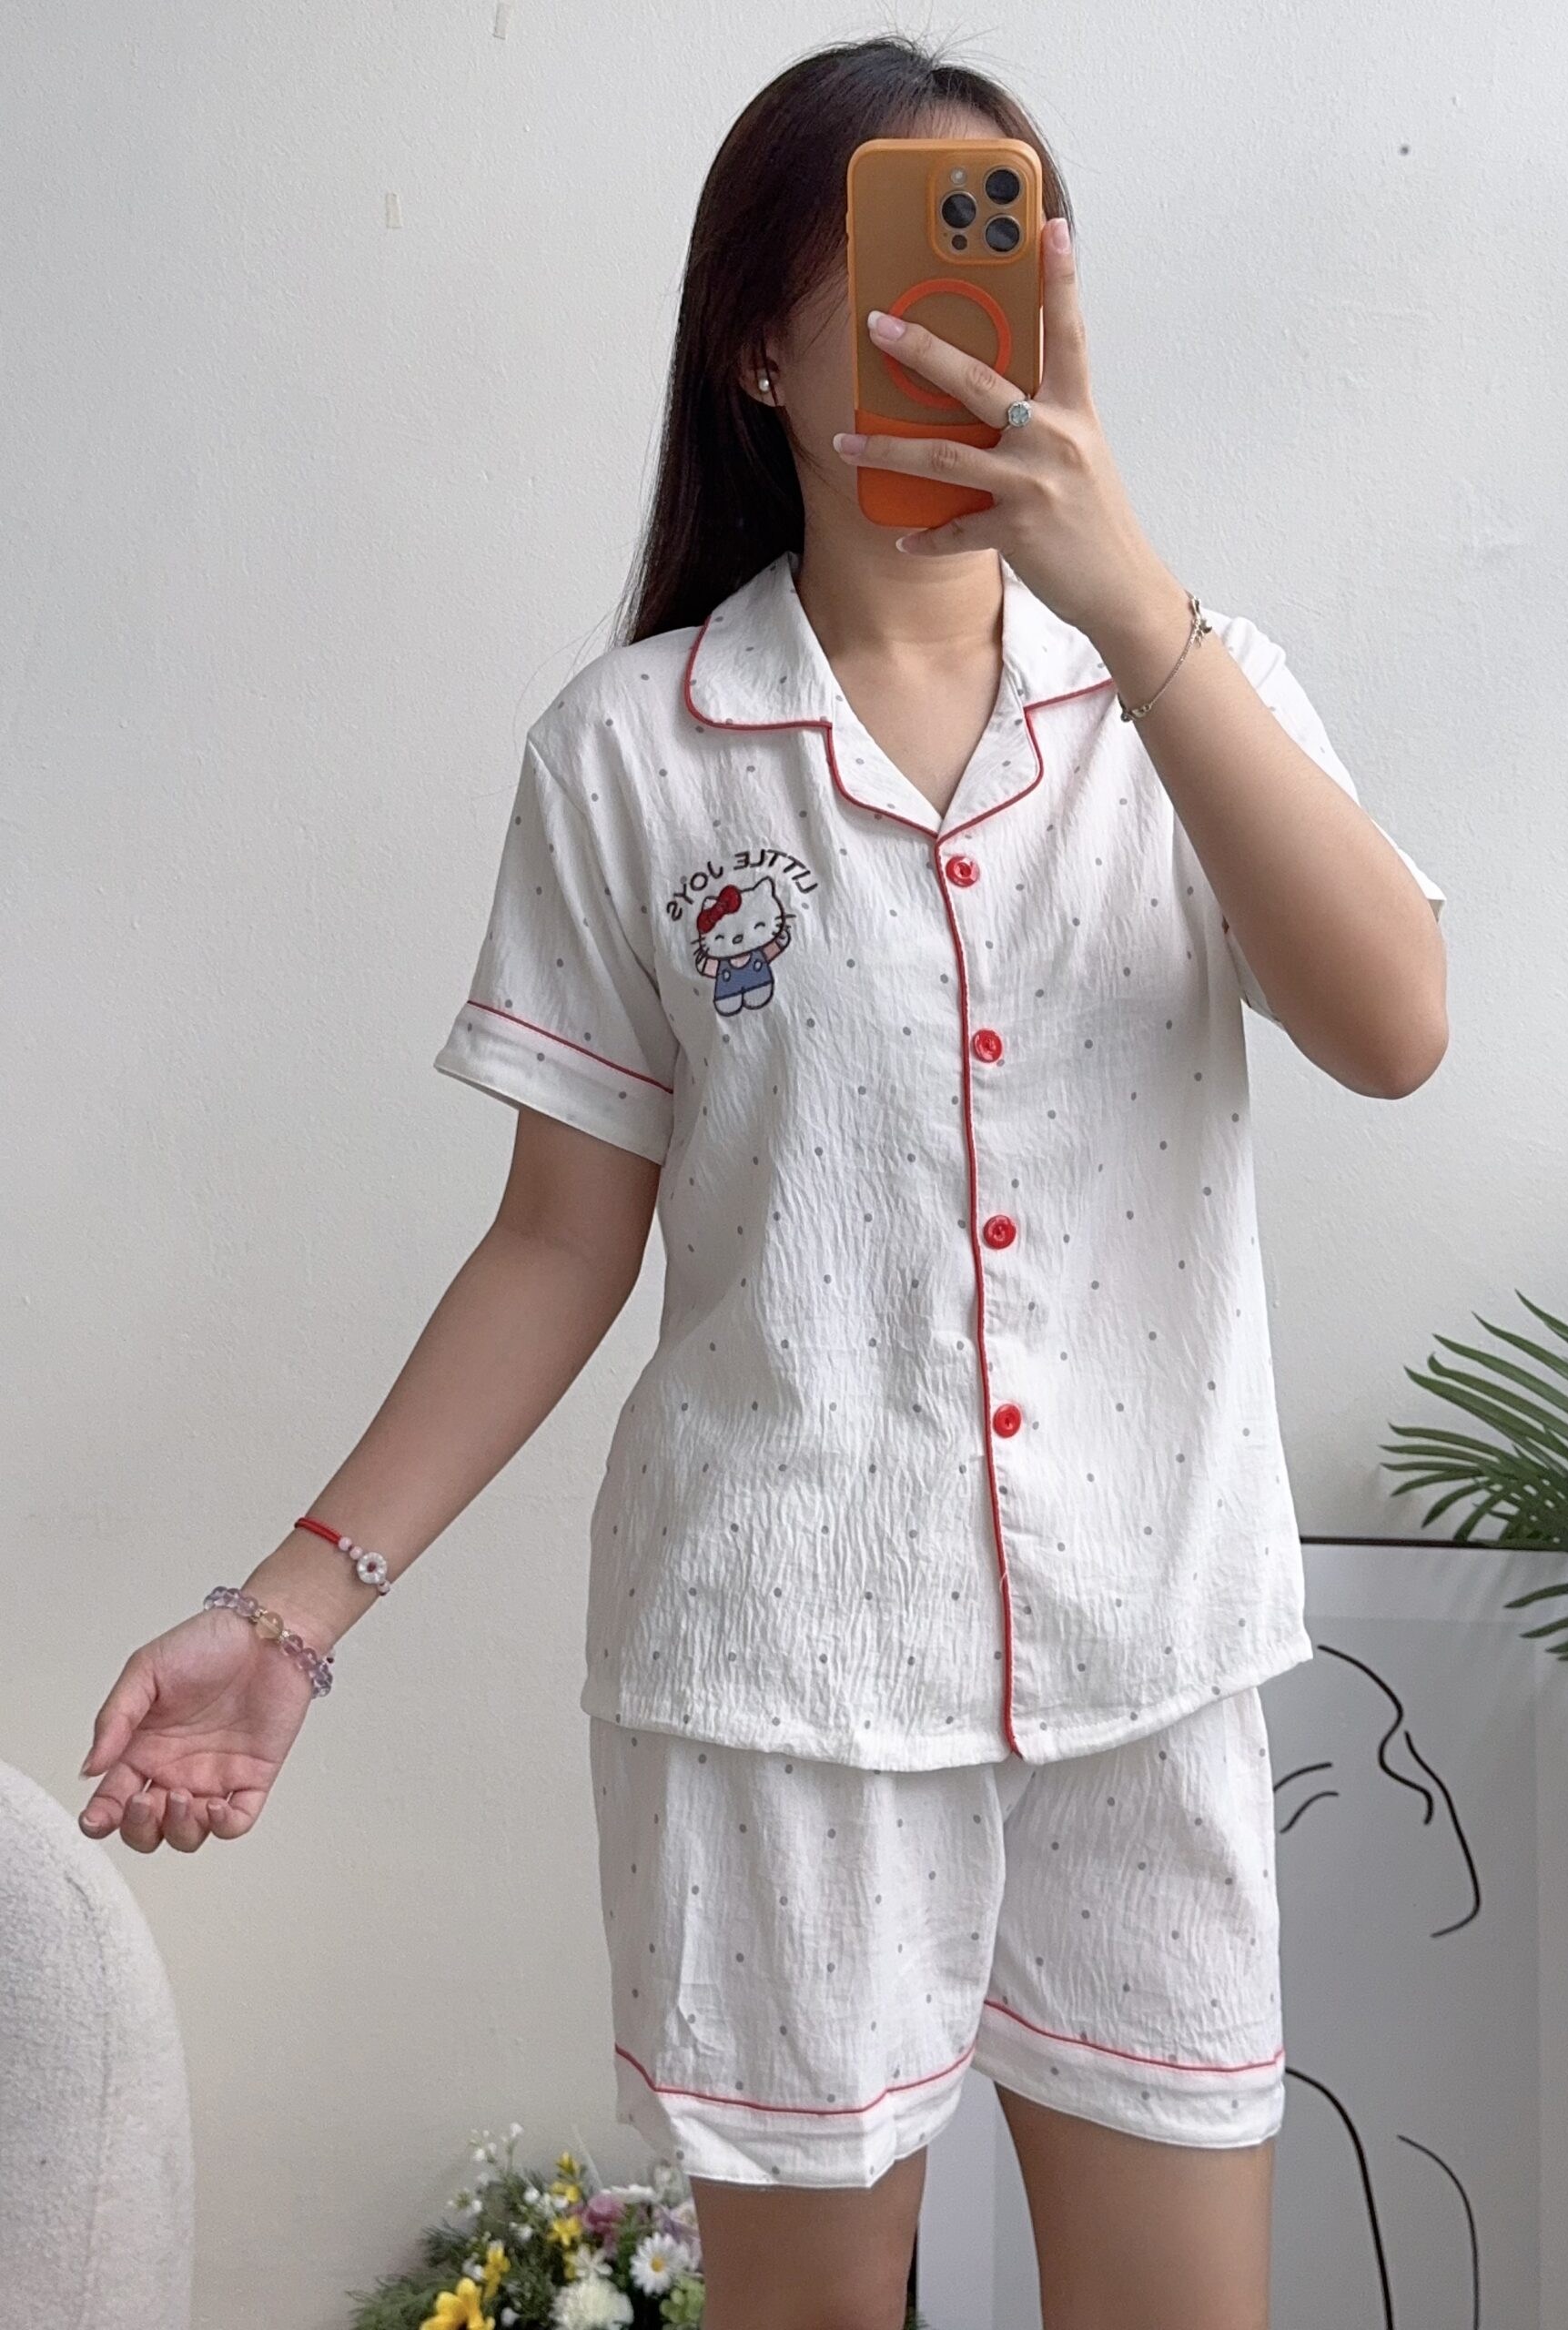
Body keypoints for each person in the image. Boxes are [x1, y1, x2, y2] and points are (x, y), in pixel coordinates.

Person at [76, 33, 1447, 2330]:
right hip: (778, 1680)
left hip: (1152, 1663)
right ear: (758, 347)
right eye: (898, 268)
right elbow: (558, 1237)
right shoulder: (634, 755)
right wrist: (294, 1609)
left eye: (1005, 259)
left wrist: (1137, 609)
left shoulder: (1191, 698)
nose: (958, 324)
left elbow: (1394, 1027)